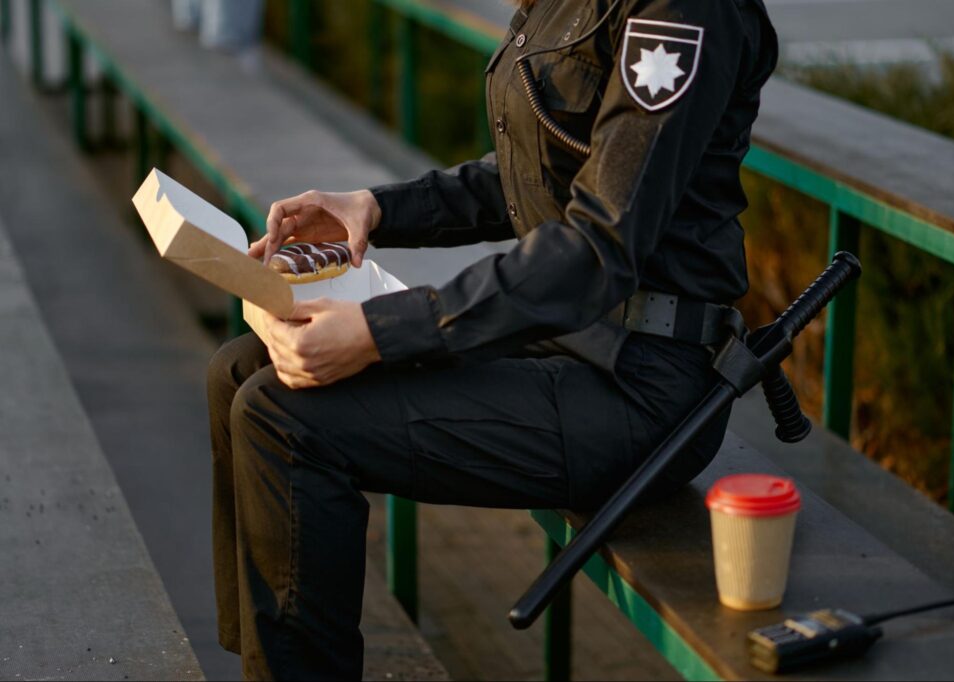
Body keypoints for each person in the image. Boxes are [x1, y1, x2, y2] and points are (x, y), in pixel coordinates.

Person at [206, 0, 778, 678]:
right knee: (241, 369)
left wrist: (380, 331)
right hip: (565, 335)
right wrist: (378, 208)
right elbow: (531, 177)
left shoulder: (683, 11)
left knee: (286, 417)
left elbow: (597, 247)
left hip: (640, 383)